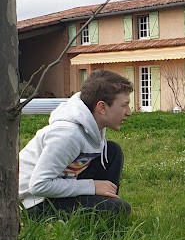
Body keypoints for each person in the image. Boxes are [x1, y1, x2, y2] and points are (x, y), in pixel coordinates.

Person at [19, 69, 133, 217]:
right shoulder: (67, 135)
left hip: (54, 189)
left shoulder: (93, 127)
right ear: (102, 108)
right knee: (119, 209)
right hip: (31, 203)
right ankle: (105, 213)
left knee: (112, 150)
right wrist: (91, 186)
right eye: (124, 105)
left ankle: (104, 207)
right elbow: (38, 186)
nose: (129, 112)